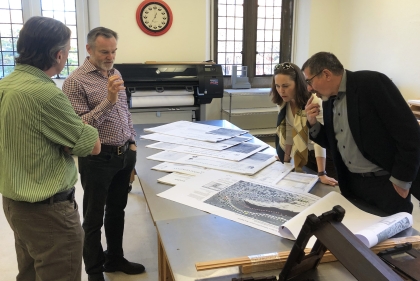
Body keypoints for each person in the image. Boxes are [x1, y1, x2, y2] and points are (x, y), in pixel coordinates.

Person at [0, 16, 101, 281]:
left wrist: (66, 135)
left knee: (30, 272)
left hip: (15, 203)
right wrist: (75, 129)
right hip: (49, 212)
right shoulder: (46, 94)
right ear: (58, 55)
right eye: (68, 50)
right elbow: (92, 145)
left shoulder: (5, 85)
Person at [62, 27, 143, 281]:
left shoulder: (115, 73)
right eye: (104, 52)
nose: (110, 57)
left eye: (114, 51)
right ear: (89, 49)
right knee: (93, 218)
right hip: (97, 159)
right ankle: (95, 272)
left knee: (117, 210)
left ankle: (114, 259)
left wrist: (132, 142)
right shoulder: (75, 82)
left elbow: (124, 111)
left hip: (123, 154)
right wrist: (107, 99)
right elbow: (79, 127)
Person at [303, 51, 420, 215]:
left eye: (310, 81)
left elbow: (410, 134)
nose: (309, 88)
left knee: (393, 238)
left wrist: (401, 181)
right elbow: (334, 143)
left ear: (326, 74)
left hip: (385, 184)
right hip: (352, 183)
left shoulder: (371, 83)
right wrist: (313, 123)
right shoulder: (328, 100)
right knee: (358, 236)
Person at [270, 62, 338, 186]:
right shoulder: (283, 102)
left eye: (285, 85)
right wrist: (285, 158)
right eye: (277, 86)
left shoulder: (314, 101)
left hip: (324, 158)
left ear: (298, 84)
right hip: (303, 155)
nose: (281, 91)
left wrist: (322, 173)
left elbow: (319, 140)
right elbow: (289, 130)